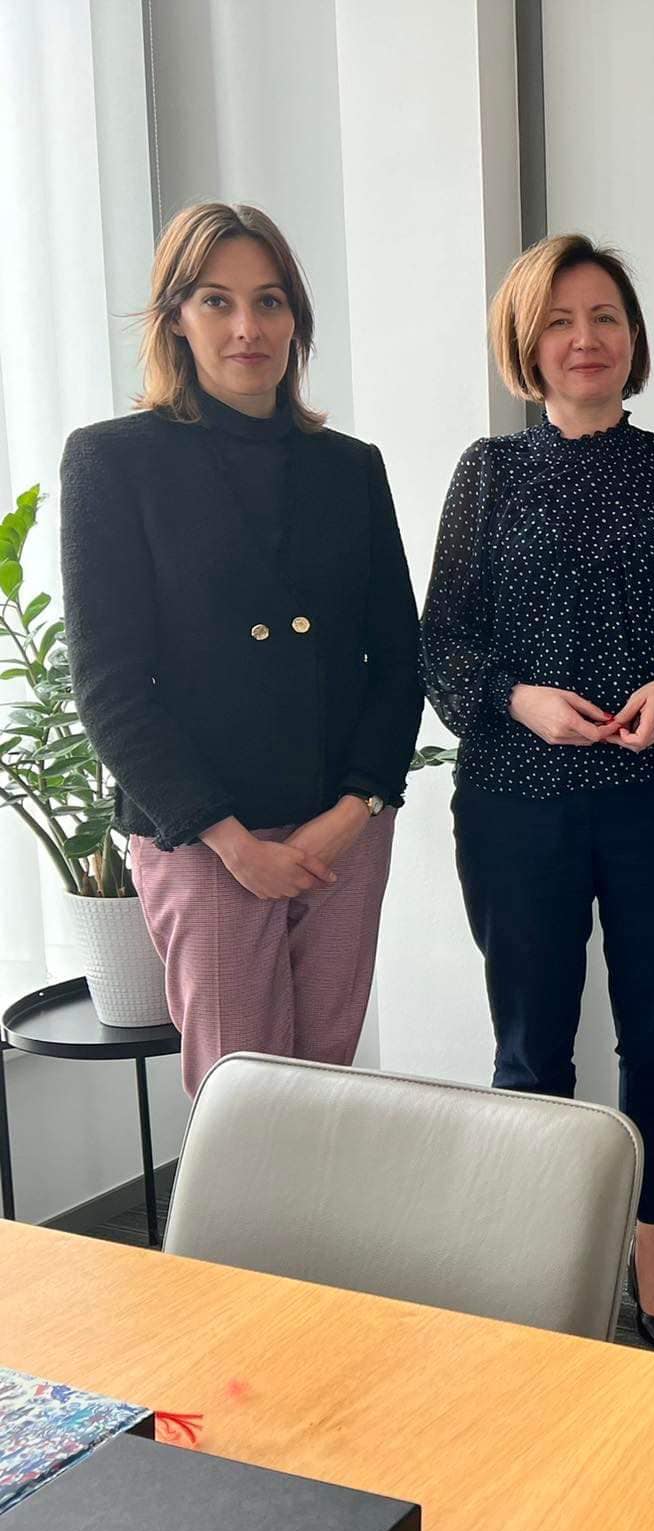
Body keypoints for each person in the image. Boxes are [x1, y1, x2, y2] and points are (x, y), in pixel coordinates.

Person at [420, 234, 654, 1356]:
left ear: (632, 337)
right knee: (532, 1044)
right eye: (559, 320)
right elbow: (442, 644)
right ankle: (542, 1252)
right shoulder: (487, 475)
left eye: (604, 316)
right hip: (518, 802)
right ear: (528, 341)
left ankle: (652, 1247)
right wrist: (519, 700)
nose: (584, 339)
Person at [61, 201, 422, 1097]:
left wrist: (357, 807)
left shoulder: (350, 467)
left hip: (340, 824)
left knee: (326, 1083)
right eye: (217, 301)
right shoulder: (114, 462)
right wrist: (229, 841)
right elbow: (110, 687)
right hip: (204, 835)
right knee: (243, 1098)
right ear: (176, 318)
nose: (247, 328)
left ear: (296, 318)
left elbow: (397, 658)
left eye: (269, 301)